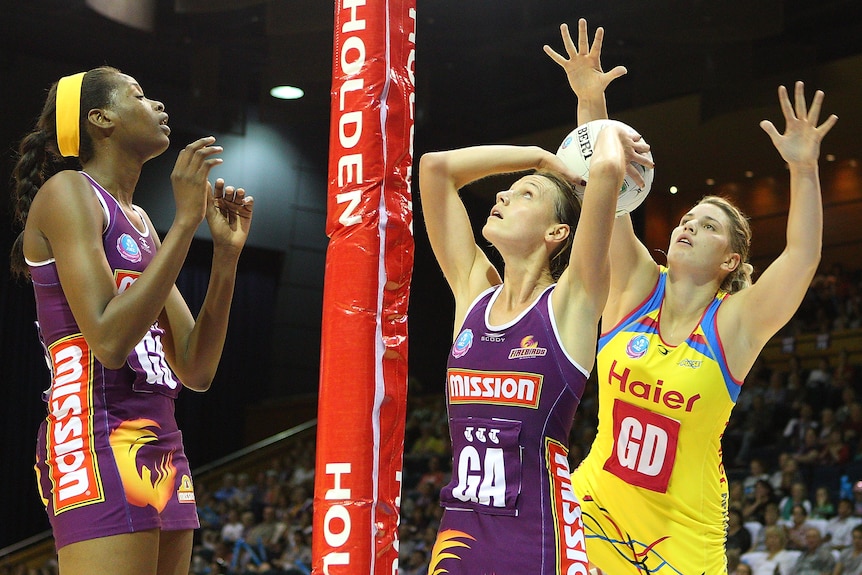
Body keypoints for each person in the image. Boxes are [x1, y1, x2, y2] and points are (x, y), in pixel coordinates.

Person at [545, 18, 838, 574]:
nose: (687, 226)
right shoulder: (635, 288)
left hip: (681, 534)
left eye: (707, 226)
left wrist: (803, 168)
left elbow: (801, 257)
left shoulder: (735, 324)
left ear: (731, 260)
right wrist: (591, 102)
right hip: (595, 506)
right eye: (687, 219)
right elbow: (603, 183)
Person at [9, 67, 254, 574]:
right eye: (139, 96)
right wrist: (186, 222)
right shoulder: (67, 193)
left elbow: (195, 366)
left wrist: (225, 260)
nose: (159, 105)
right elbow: (109, 340)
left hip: (161, 437)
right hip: (95, 428)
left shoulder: (140, 221)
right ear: (100, 118)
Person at [418, 53, 653, 572]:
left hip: (539, 539)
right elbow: (435, 169)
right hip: (459, 533)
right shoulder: (473, 293)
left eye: (524, 195)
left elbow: (609, 169)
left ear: (557, 233)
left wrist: (597, 118)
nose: (501, 192)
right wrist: (538, 160)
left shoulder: (571, 302)